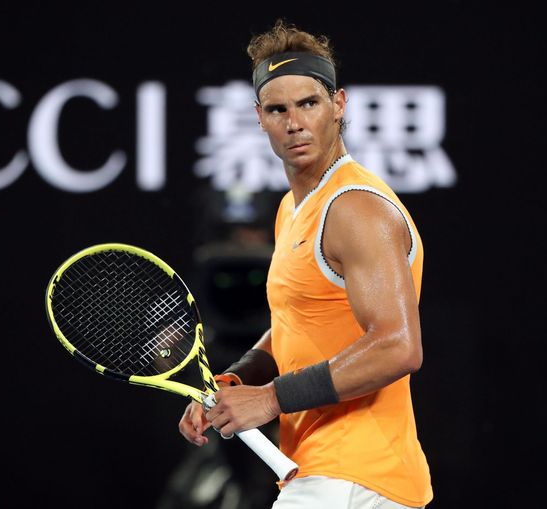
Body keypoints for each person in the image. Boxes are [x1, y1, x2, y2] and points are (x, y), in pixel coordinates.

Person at [179, 19, 433, 508]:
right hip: (328, 473)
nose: (293, 122)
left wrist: (269, 399)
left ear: (339, 105)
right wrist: (236, 381)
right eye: (277, 109)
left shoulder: (355, 207)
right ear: (260, 118)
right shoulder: (294, 208)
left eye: (309, 103)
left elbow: (398, 347)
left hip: (355, 475)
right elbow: (297, 324)